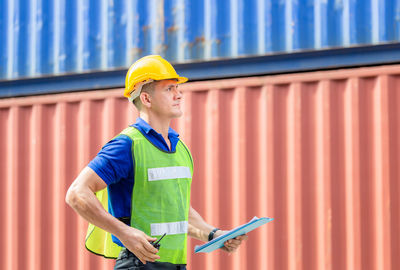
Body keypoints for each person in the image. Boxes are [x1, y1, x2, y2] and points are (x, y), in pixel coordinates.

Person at [65, 55, 247, 269]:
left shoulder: (180, 148)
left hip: (176, 264)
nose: (179, 94)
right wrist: (124, 233)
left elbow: (179, 212)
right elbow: (77, 193)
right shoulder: (126, 145)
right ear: (146, 99)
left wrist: (214, 234)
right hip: (140, 264)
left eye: (177, 88)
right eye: (169, 89)